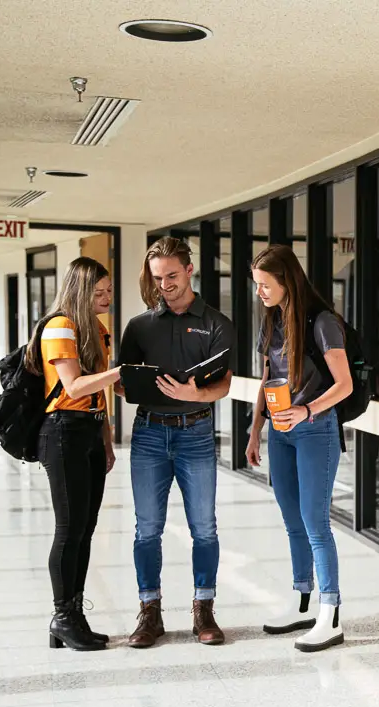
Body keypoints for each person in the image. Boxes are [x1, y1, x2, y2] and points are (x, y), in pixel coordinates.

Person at [116, 236, 235, 647]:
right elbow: (122, 383)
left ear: (189, 270)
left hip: (197, 433)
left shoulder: (217, 324)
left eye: (171, 275)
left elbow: (223, 382)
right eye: (156, 278)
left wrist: (195, 394)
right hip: (149, 433)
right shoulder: (139, 326)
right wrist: (135, 387)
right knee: (147, 528)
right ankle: (150, 613)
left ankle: (204, 608)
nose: (164, 285)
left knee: (204, 527)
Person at [247, 245, 352, 652]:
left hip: (315, 430)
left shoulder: (323, 323)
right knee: (292, 521)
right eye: (256, 286)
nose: (260, 292)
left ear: (286, 281)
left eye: (265, 285)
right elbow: (266, 378)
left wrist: (307, 409)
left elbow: (344, 385)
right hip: (280, 430)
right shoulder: (272, 320)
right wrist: (256, 428)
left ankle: (331, 612)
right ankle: (302, 599)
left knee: (315, 523)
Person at [26, 257, 121, 651]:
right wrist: (121, 371)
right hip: (62, 431)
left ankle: (73, 616)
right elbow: (75, 385)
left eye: (109, 291)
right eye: (98, 292)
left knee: (85, 528)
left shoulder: (95, 329)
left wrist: (106, 438)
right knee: (68, 529)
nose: (106, 298)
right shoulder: (60, 326)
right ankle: (63, 616)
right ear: (80, 292)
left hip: (88, 431)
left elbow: (96, 395)